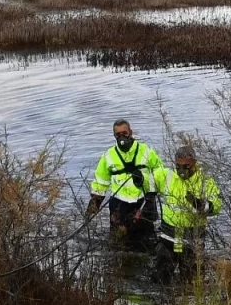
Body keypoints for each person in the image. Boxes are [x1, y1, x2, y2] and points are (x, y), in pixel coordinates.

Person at [150, 146, 221, 283]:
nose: (182, 170)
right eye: (178, 166)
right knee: (159, 281)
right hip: (168, 239)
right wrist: (143, 185)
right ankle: (162, 302)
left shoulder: (205, 182)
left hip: (192, 242)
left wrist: (202, 205)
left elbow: (217, 205)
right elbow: (148, 179)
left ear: (194, 163)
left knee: (192, 283)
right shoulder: (166, 176)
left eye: (186, 166)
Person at [87, 119, 163, 248]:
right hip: (119, 204)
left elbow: (160, 173)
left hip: (143, 201)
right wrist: (94, 204)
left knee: (147, 243)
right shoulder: (109, 155)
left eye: (125, 133)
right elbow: (101, 181)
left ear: (131, 132)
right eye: (118, 135)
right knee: (118, 242)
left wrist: (146, 182)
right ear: (114, 136)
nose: (122, 138)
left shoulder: (146, 151)